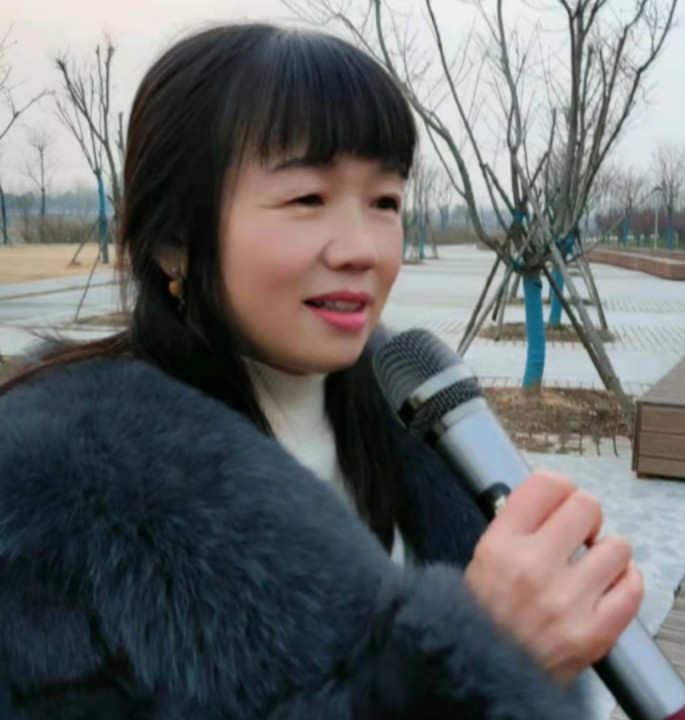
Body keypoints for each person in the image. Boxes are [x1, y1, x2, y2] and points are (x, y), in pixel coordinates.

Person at [0, 24, 643, 719]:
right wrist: (462, 673)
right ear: (174, 238)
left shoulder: (416, 423)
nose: (363, 249)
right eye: (308, 199)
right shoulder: (51, 508)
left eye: (386, 201)